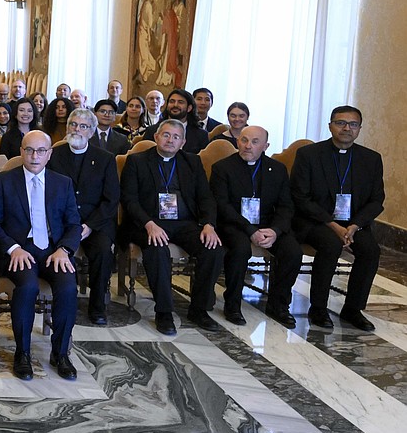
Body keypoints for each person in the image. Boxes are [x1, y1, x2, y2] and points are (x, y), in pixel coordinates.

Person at [0, 130, 82, 380]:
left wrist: (64, 250)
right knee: (27, 286)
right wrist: (13, 248)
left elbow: (74, 224)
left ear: (49, 154)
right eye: (29, 149)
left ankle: (60, 353)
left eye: (41, 150)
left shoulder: (63, 183)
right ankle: (23, 353)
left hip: (53, 251)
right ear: (21, 152)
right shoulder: (4, 181)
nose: (34, 155)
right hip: (18, 251)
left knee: (68, 287)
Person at [120, 119, 224, 335]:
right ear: (156, 137)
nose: (170, 140)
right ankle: (164, 312)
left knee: (213, 248)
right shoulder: (137, 161)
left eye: (176, 137)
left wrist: (208, 225)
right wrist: (149, 224)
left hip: (183, 223)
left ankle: (199, 309)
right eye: (166, 135)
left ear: (183, 142)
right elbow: (129, 200)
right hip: (146, 222)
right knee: (157, 250)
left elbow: (205, 198)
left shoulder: (192, 163)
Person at [291, 106, 385, 331]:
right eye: (341, 123)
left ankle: (353, 309)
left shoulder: (371, 159)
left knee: (371, 251)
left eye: (353, 124)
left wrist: (354, 225)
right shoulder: (309, 155)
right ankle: (318, 308)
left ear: (359, 129)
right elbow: (300, 197)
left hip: (353, 223)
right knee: (331, 244)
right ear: (330, 125)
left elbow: (376, 200)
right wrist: (332, 225)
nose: (347, 128)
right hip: (314, 221)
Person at [210, 125, 302, 328]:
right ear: (237, 142)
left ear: (266, 146)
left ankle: (279, 305)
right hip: (235, 224)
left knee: (293, 251)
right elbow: (222, 206)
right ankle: (232, 305)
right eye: (244, 140)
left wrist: (275, 231)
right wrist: (250, 231)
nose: (248, 146)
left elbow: (286, 206)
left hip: (269, 225)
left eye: (254, 142)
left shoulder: (277, 169)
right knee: (240, 249)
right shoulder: (222, 168)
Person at [48, 109, 120, 326]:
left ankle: (97, 307)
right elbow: (47, 193)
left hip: (96, 223)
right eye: (73, 125)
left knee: (102, 252)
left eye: (83, 126)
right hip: (62, 222)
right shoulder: (54, 155)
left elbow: (111, 199)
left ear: (91, 132)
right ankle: (60, 303)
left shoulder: (105, 159)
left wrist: (89, 225)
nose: (77, 129)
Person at [141, 89, 209, 153]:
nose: (175, 105)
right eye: (172, 101)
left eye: (180, 102)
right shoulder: (152, 131)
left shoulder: (201, 135)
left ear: (189, 108)